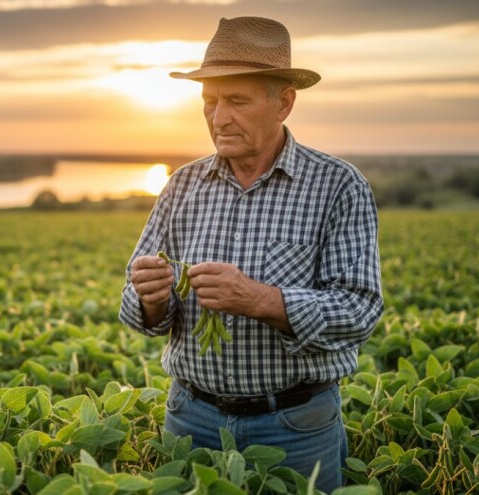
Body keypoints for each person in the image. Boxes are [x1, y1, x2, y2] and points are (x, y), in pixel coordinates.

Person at [118, 16, 383, 492]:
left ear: (284, 102)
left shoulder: (338, 186)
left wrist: (260, 299)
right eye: (210, 102)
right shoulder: (181, 186)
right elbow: (138, 310)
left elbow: (360, 309)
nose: (219, 119)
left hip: (296, 425)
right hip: (190, 420)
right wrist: (151, 297)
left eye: (236, 101)